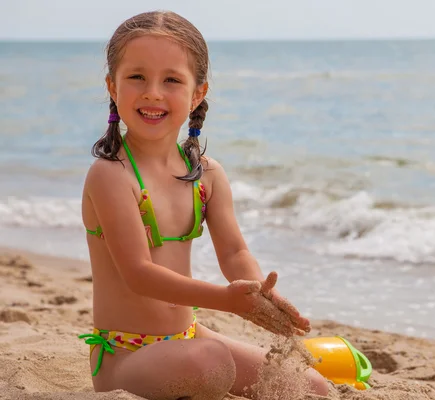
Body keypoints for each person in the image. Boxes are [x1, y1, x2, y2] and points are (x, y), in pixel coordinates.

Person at [78, 10, 329, 400]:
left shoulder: (206, 175)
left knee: (309, 387)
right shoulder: (111, 175)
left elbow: (234, 250)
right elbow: (138, 274)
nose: (153, 92)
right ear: (112, 86)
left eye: (172, 80)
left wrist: (259, 294)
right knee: (210, 363)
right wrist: (228, 302)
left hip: (187, 336)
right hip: (126, 356)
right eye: (137, 77)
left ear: (197, 93)